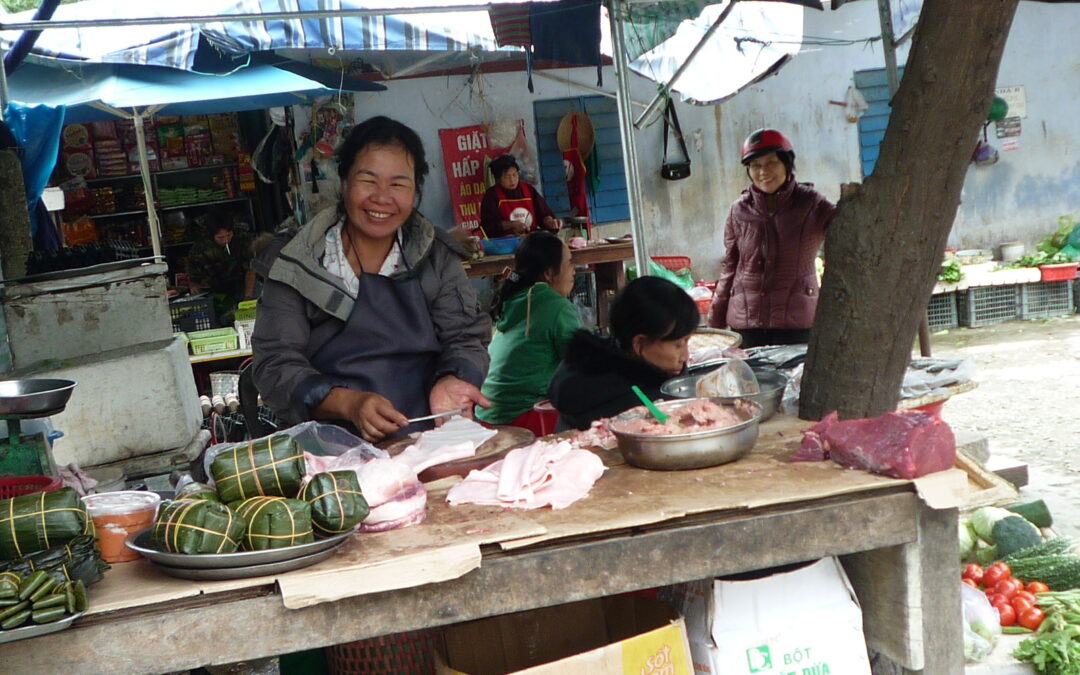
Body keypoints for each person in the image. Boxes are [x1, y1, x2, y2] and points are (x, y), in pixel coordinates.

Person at [251, 115, 492, 442]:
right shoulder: (298, 263)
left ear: (415, 189)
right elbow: (275, 364)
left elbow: (465, 336)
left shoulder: (435, 257)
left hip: (430, 440)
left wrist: (455, 378)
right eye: (368, 180)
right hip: (333, 452)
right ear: (344, 180)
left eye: (398, 183)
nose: (382, 197)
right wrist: (347, 403)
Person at [708, 129, 836, 348]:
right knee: (749, 381)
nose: (763, 172)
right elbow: (730, 266)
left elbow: (850, 230)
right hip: (745, 325)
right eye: (755, 165)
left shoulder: (811, 204)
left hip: (796, 325)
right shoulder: (738, 210)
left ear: (787, 163)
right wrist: (715, 321)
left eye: (771, 163)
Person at [548, 276, 699, 430]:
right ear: (639, 344)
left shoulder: (586, 371)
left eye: (687, 342)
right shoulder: (627, 407)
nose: (685, 357)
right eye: (679, 345)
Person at [476, 231, 580, 427]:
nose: (574, 271)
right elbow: (581, 364)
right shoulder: (555, 305)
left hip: (486, 414)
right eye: (569, 263)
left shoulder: (514, 298)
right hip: (522, 416)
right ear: (549, 273)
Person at [186, 216, 255, 322]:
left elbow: (250, 269)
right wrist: (194, 285)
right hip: (216, 289)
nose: (226, 240)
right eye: (220, 237)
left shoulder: (243, 239)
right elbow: (193, 273)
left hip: (242, 283)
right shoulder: (201, 247)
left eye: (228, 235)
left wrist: (248, 296)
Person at [479, 154, 562, 238]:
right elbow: (488, 226)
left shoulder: (528, 190)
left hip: (531, 240)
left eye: (515, 175)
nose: (512, 180)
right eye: (507, 176)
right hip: (506, 243)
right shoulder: (492, 195)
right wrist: (511, 225)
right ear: (498, 179)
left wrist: (549, 221)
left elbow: (543, 213)